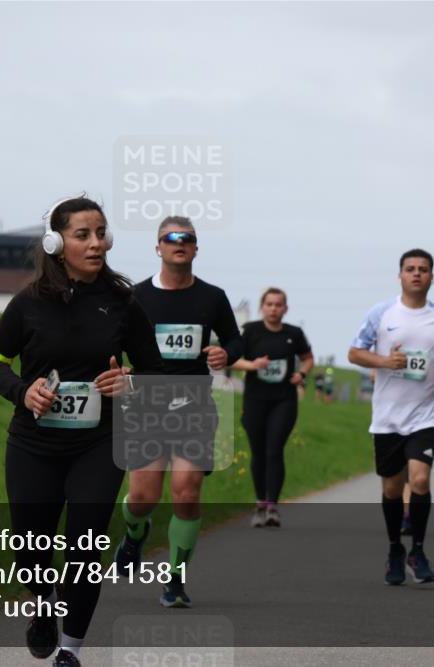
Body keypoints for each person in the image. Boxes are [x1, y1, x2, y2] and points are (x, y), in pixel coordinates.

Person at [0, 196, 163, 667]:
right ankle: (43, 611)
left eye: (101, 232)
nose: (96, 242)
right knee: (31, 546)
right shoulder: (28, 303)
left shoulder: (123, 304)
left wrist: (129, 382)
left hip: (98, 444)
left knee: (85, 546)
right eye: (83, 234)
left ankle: (71, 650)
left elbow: (156, 371)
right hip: (33, 444)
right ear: (57, 243)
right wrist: (23, 392)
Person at [113, 216, 242, 608]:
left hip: (194, 405)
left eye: (187, 238)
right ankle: (135, 532)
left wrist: (226, 354)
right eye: (170, 238)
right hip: (147, 406)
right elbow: (113, 344)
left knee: (186, 492)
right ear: (158, 248)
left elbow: (236, 340)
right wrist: (119, 371)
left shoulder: (212, 298)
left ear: (196, 248)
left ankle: (174, 580)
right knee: (143, 497)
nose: (179, 243)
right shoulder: (134, 297)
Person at [348, 248, 434, 586]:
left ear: (432, 277)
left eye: (423, 269)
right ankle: (394, 550)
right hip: (387, 418)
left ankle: (418, 548)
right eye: (410, 269)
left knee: (419, 481)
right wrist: (385, 362)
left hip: (425, 415)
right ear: (399, 275)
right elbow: (354, 352)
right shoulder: (381, 313)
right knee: (391, 488)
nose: (417, 274)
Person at [231, 287, 314, 528]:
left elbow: (308, 358)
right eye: (269, 304)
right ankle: (260, 502)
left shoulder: (294, 333)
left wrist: (301, 374)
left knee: (274, 449)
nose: (274, 308)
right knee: (258, 452)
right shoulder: (250, 331)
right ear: (262, 307)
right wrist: (252, 365)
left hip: (284, 400)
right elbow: (233, 360)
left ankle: (272, 507)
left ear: (285, 309)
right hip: (255, 399)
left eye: (279, 305)